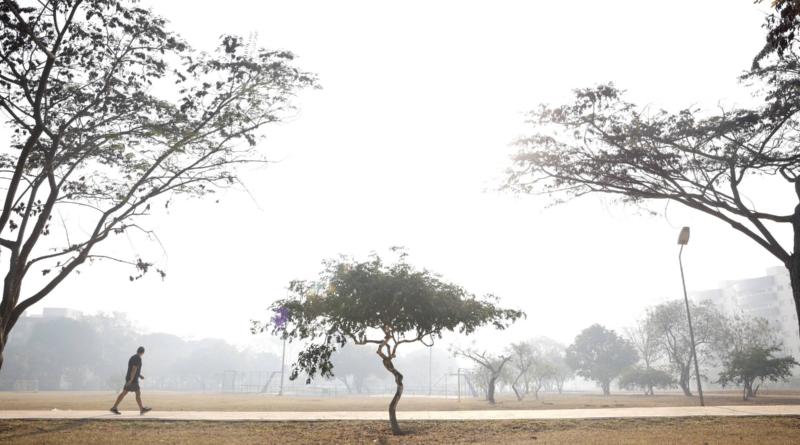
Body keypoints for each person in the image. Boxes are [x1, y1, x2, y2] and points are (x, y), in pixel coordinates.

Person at [109, 346, 152, 415]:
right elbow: (134, 369)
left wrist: (139, 375)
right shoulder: (138, 358)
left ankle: (114, 408)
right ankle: (142, 409)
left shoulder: (133, 357)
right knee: (138, 393)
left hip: (130, 377)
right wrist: (131, 380)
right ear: (143, 353)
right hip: (132, 379)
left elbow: (133, 369)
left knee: (124, 392)